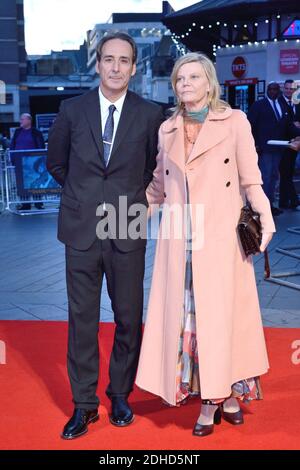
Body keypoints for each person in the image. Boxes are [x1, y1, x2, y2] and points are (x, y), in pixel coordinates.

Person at [135, 53, 275, 437]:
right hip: (180, 241)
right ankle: (214, 396)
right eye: (180, 78)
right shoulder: (167, 130)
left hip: (220, 238)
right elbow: (158, 189)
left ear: (210, 83)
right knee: (190, 322)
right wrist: (127, 221)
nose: (185, 84)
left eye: (194, 77)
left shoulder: (234, 123)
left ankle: (220, 398)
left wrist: (265, 216)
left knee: (223, 319)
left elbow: (252, 180)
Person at [47, 32, 164, 440]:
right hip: (81, 226)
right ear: (97, 64)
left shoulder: (151, 115)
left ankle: (119, 394)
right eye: (108, 59)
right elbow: (56, 164)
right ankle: (84, 405)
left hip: (126, 222)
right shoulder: (71, 110)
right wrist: (84, 198)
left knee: (129, 317)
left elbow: (153, 168)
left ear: (134, 67)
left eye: (124, 60)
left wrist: (127, 203)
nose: (116, 67)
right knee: (82, 320)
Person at [247, 82, 290, 216]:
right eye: (271, 89)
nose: (273, 92)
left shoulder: (283, 105)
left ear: (279, 91)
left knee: (273, 177)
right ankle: (261, 207)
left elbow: (287, 125)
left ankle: (270, 205)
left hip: (278, 148)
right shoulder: (259, 105)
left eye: (276, 89)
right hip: (264, 148)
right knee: (265, 177)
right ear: (267, 91)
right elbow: (250, 125)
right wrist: (255, 143)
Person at [10, 113, 45, 210]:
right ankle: (25, 204)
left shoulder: (36, 132)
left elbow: (41, 146)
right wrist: (12, 158)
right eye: (21, 119)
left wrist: (40, 160)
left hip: (33, 163)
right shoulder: (17, 132)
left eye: (22, 119)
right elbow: (12, 145)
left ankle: (38, 203)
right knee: (21, 183)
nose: (20, 121)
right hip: (19, 162)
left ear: (29, 120)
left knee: (35, 182)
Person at [278, 80, 300, 211]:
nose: (288, 91)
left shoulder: (297, 103)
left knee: (288, 172)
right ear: (283, 89)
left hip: (295, 143)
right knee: (284, 172)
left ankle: (285, 201)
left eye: (291, 89)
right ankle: (292, 200)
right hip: (282, 143)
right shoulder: (278, 102)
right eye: (286, 89)